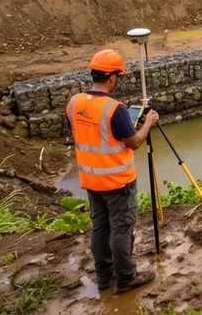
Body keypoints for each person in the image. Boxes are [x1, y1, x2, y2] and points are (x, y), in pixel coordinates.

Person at [67, 49, 159, 294]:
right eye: (119, 75)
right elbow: (134, 142)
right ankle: (127, 278)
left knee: (100, 227)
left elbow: (85, 133)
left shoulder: (74, 103)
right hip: (118, 181)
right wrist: (148, 122)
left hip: (90, 180)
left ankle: (104, 276)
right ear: (111, 77)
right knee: (120, 229)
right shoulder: (115, 109)